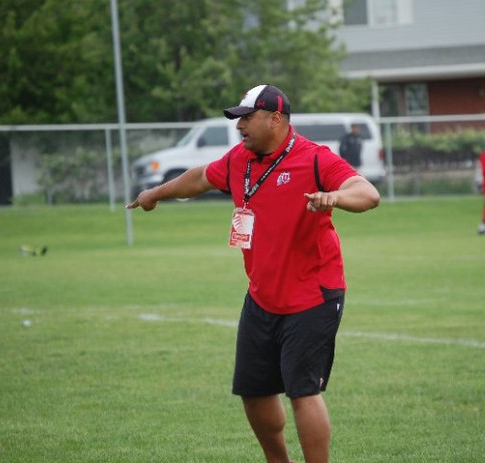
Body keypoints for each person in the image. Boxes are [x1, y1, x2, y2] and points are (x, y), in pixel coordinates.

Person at [127, 84, 380, 463]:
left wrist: (336, 197)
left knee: (302, 390)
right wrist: (155, 193)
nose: (239, 126)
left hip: (313, 294)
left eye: (247, 118)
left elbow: (367, 193)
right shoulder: (239, 160)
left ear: (275, 118)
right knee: (254, 391)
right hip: (262, 295)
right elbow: (199, 178)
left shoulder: (315, 159)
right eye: (238, 119)